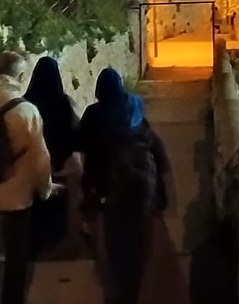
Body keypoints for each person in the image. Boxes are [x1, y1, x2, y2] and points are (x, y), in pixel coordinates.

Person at [78, 68, 170, 304]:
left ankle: (120, 290)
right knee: (138, 238)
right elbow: (155, 149)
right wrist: (161, 192)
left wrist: (88, 193)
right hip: (142, 189)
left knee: (115, 240)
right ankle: (133, 286)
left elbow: (84, 147)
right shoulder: (136, 107)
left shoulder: (94, 114)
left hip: (110, 189)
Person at [0, 51, 56, 304]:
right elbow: (40, 161)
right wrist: (46, 190)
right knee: (15, 258)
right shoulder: (26, 111)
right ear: (20, 76)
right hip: (15, 199)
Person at [24, 58, 79, 258]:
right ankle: (53, 245)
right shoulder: (63, 104)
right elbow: (74, 135)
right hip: (58, 167)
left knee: (36, 209)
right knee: (56, 208)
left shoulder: (27, 103)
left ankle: (35, 247)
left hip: (33, 167)